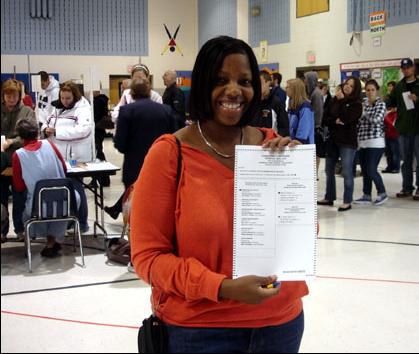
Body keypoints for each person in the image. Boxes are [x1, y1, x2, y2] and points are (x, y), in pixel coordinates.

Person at [130, 35, 307, 353]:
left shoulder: (273, 148)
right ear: (200, 86)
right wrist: (223, 288)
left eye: (245, 80)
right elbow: (148, 258)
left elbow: (301, 239)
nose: (235, 90)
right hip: (198, 331)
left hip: (280, 324)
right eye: (220, 80)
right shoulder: (171, 154)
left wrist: (297, 186)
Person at [104, 78, 178, 220]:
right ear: (150, 93)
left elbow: (120, 143)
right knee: (158, 206)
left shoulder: (127, 111)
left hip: (134, 167)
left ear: (131, 94)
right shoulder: (166, 110)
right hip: (161, 167)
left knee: (135, 207)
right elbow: (174, 138)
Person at [12, 117, 81, 257]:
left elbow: (19, 187)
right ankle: (52, 241)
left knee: (30, 209)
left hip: (38, 207)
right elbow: (64, 169)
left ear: (20, 137)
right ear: (37, 133)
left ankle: (42, 240)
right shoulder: (50, 144)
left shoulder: (18, 155)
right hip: (66, 201)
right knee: (58, 207)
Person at [41, 81, 92, 232]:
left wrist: (56, 132)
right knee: (65, 191)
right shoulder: (58, 107)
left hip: (76, 157)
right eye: (62, 98)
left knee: (77, 189)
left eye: (68, 98)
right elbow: (46, 122)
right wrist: (46, 130)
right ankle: (70, 221)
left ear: (75, 96)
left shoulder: (83, 109)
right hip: (58, 156)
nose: (64, 101)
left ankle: (82, 223)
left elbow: (83, 130)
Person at [386, 58, 419, 201]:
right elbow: (391, 101)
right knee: (406, 160)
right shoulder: (400, 86)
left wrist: (418, 99)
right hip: (403, 129)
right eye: (403, 68)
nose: (406, 70)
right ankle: (407, 187)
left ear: (413, 68)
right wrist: (383, 99)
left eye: (408, 67)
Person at [317, 76, 363, 211]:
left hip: (347, 141)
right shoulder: (334, 100)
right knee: (328, 170)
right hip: (332, 139)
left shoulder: (357, 104)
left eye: (351, 85)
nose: (347, 86)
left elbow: (347, 118)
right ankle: (329, 196)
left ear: (356, 90)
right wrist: (335, 121)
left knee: (347, 171)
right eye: (346, 84)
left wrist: (342, 101)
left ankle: (347, 200)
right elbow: (325, 118)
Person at [1, 79, 37, 243]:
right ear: (3, 96)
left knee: (20, 197)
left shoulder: (27, 111)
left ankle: (20, 229)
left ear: (19, 96)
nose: (11, 99)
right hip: (1, 162)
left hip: (20, 161)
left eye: (14, 96)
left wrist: (11, 142)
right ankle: (2, 230)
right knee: (1, 198)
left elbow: (30, 134)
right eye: (8, 96)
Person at [354, 80, 388, 205]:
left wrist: (364, 113)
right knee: (364, 170)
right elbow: (359, 123)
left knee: (371, 169)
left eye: (372, 90)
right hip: (362, 142)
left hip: (375, 142)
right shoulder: (364, 104)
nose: (370, 92)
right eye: (367, 90)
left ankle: (382, 193)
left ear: (377, 90)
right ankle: (366, 195)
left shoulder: (381, 105)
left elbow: (377, 120)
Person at [249, 70, 289, 137]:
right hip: (253, 144)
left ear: (268, 82)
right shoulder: (251, 102)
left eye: (260, 83)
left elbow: (284, 128)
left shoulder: (276, 102)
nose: (257, 86)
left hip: (270, 144)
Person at [304, 71, 325, 183]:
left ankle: (315, 172)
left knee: (316, 152)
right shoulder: (309, 92)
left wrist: (314, 126)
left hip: (315, 127)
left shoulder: (316, 93)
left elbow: (318, 111)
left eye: (306, 80)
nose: (304, 82)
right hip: (310, 126)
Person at [286, 78, 315, 144]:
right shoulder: (292, 105)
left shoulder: (305, 106)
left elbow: (303, 131)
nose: (286, 89)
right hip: (293, 144)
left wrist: (296, 142)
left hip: (303, 146)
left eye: (287, 87)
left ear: (295, 89)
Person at [93, 88, 112, 186]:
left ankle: (103, 178)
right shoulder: (100, 100)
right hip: (98, 130)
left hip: (97, 130)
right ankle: (101, 178)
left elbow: (98, 115)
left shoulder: (99, 101)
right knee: (98, 153)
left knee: (98, 153)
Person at [382, 107, 400, 173]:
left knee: (395, 153)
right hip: (388, 135)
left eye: (395, 107)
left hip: (395, 136)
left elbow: (393, 125)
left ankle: (396, 167)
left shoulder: (397, 115)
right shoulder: (389, 114)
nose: (393, 108)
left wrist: (386, 118)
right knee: (389, 153)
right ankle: (389, 167)